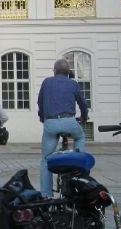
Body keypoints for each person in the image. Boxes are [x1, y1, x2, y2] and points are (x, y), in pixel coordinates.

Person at [37, 58, 89, 197]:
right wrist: (84, 117)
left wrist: (43, 117)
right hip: (69, 122)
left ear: (54, 71)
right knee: (80, 136)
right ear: (68, 72)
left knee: (46, 159)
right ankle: (79, 161)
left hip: (51, 123)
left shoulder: (47, 82)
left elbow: (40, 102)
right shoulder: (73, 83)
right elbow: (83, 103)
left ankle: (46, 194)